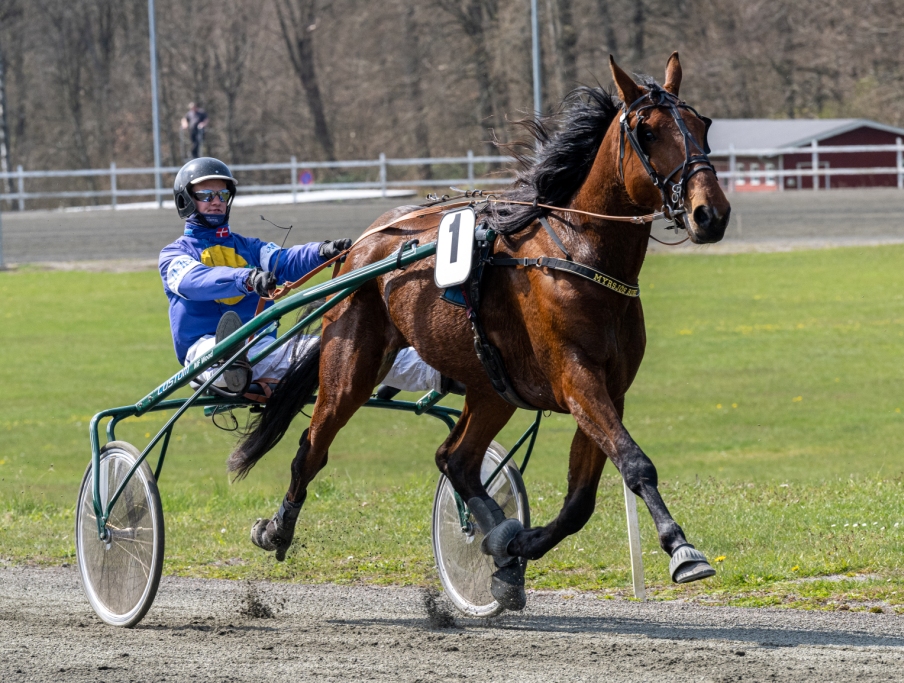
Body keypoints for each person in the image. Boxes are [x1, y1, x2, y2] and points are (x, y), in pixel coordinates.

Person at [158, 157, 456, 398]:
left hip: (261, 349)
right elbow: (194, 281)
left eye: (222, 194)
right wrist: (246, 279)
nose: (216, 201)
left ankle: (443, 370)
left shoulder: (249, 247)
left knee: (348, 352)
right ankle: (229, 367)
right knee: (229, 353)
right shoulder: (174, 255)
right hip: (203, 351)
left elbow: (285, 260)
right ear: (186, 200)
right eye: (206, 195)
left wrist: (322, 252)